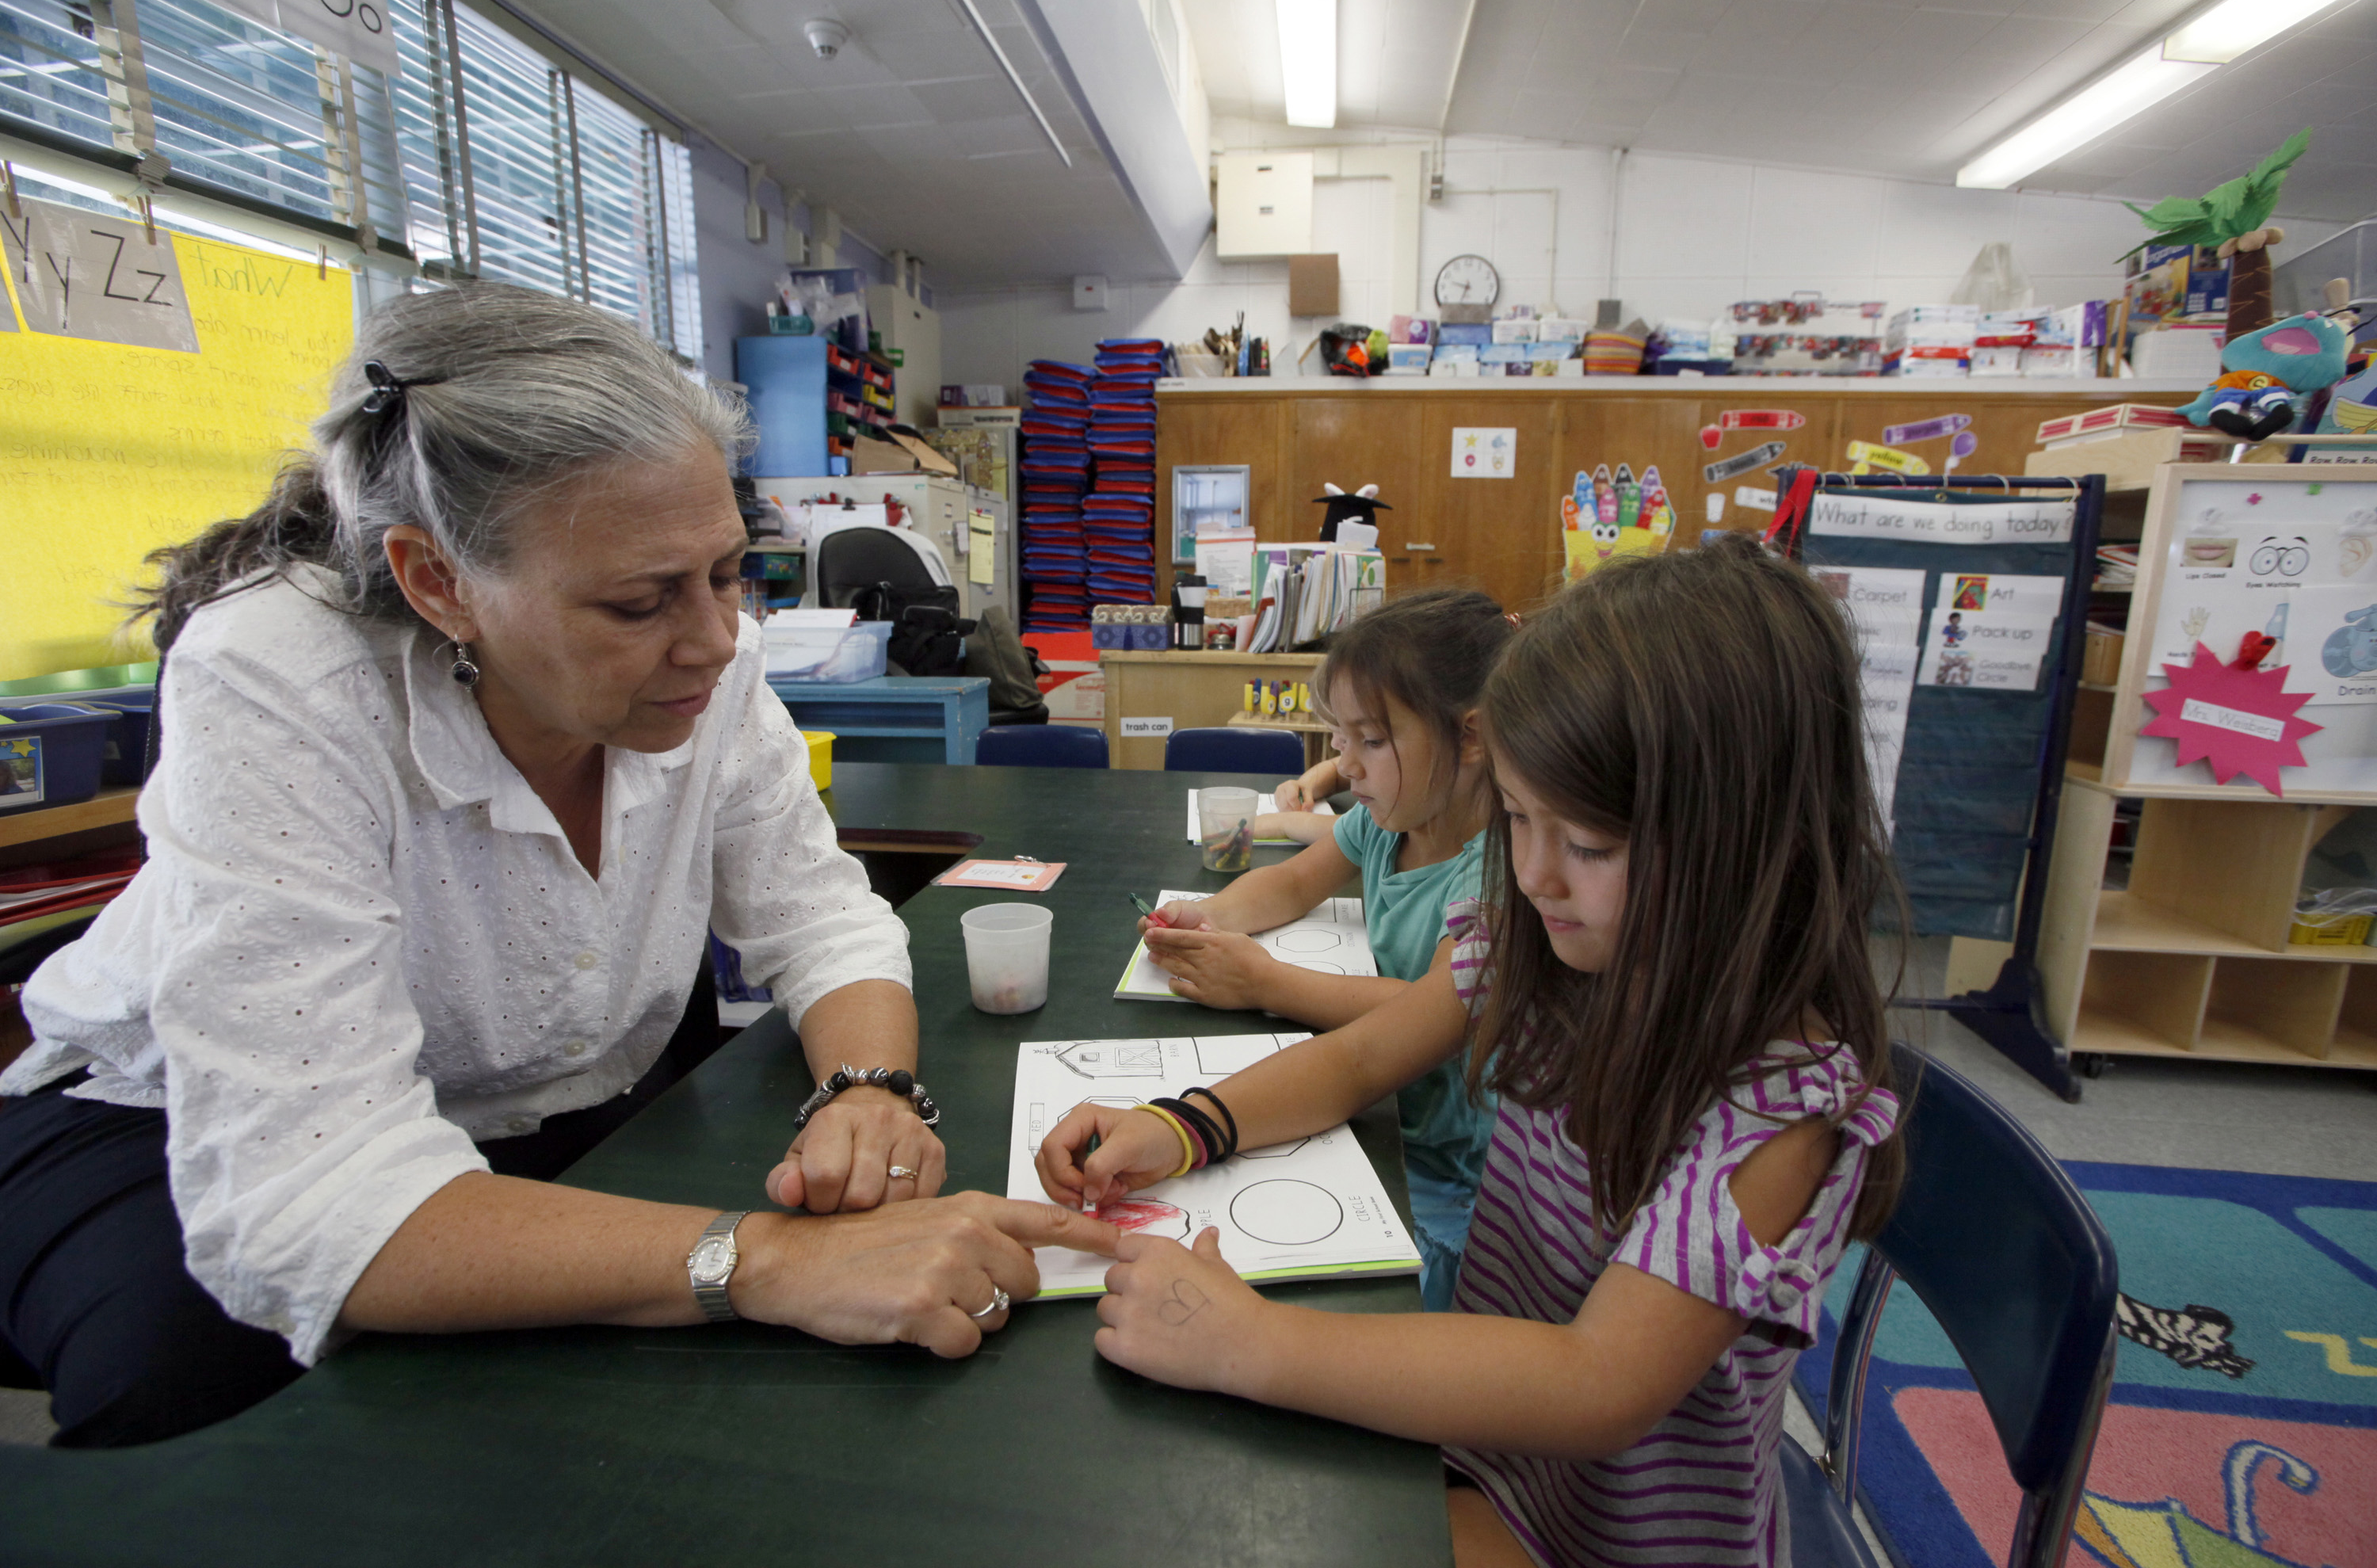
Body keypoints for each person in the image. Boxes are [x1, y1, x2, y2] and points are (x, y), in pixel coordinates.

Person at [0, 285, 1111, 1448]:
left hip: (536, 1108)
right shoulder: (282, 674)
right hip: (179, 1131)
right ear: (440, 584)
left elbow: (821, 915)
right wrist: (768, 1258)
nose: (718, 642)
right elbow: (314, 1200)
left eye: (732, 575)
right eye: (639, 603)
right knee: (224, 1426)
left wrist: (867, 1089)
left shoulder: (699, 654)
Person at [1040, 539, 1905, 1566]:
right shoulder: (1545, 942)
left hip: (1605, 1540)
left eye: (1585, 845)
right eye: (1519, 821)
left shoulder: (1775, 1110)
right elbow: (1361, 1062)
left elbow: (1599, 1384)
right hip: (1486, 1455)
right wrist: (1180, 1126)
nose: (1533, 875)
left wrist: (1253, 1344)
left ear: (1747, 840)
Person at [1137, 589, 1512, 1309]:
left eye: (1371, 740)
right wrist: (1206, 916)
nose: (1348, 766)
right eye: (1340, 740)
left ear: (1470, 737)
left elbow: (1427, 1008)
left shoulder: (1495, 866)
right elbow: (1289, 886)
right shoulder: (1386, 821)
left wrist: (1268, 983)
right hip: (1380, 1110)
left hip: (1447, 1169)